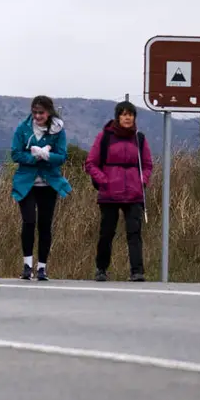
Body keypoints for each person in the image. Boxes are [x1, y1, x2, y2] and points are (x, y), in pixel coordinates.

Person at [85, 101, 154, 282]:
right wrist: (104, 181)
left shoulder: (139, 138)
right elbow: (91, 163)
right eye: (123, 114)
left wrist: (142, 181)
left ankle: (137, 271)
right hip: (109, 194)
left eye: (130, 114)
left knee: (134, 233)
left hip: (134, 193)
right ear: (117, 117)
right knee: (107, 233)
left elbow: (147, 165)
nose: (127, 118)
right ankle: (101, 269)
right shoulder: (105, 137)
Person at [11, 95, 73, 281]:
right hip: (26, 184)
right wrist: (33, 156)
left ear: (49, 113)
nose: (38, 116)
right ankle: (27, 265)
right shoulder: (22, 129)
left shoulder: (58, 131)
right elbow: (16, 154)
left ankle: (42, 268)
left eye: (41, 113)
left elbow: (61, 156)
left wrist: (47, 156)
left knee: (45, 224)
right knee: (29, 221)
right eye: (35, 112)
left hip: (48, 184)